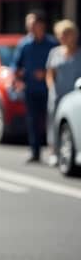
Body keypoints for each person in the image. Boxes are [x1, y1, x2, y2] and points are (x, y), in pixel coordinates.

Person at [13, 11, 58, 162]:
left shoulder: (52, 44)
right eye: (28, 24)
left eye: (33, 24)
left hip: (49, 90)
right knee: (32, 121)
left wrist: (46, 73)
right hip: (30, 89)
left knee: (50, 120)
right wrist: (17, 78)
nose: (30, 27)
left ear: (41, 25)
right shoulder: (24, 44)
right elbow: (16, 65)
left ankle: (53, 151)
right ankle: (35, 151)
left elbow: (58, 65)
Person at [46, 19, 81, 160]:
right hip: (57, 95)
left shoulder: (80, 54)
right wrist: (51, 88)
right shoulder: (54, 53)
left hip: (74, 96)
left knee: (71, 124)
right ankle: (53, 151)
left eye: (66, 34)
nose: (63, 37)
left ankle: (68, 152)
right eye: (61, 34)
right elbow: (50, 74)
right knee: (54, 123)